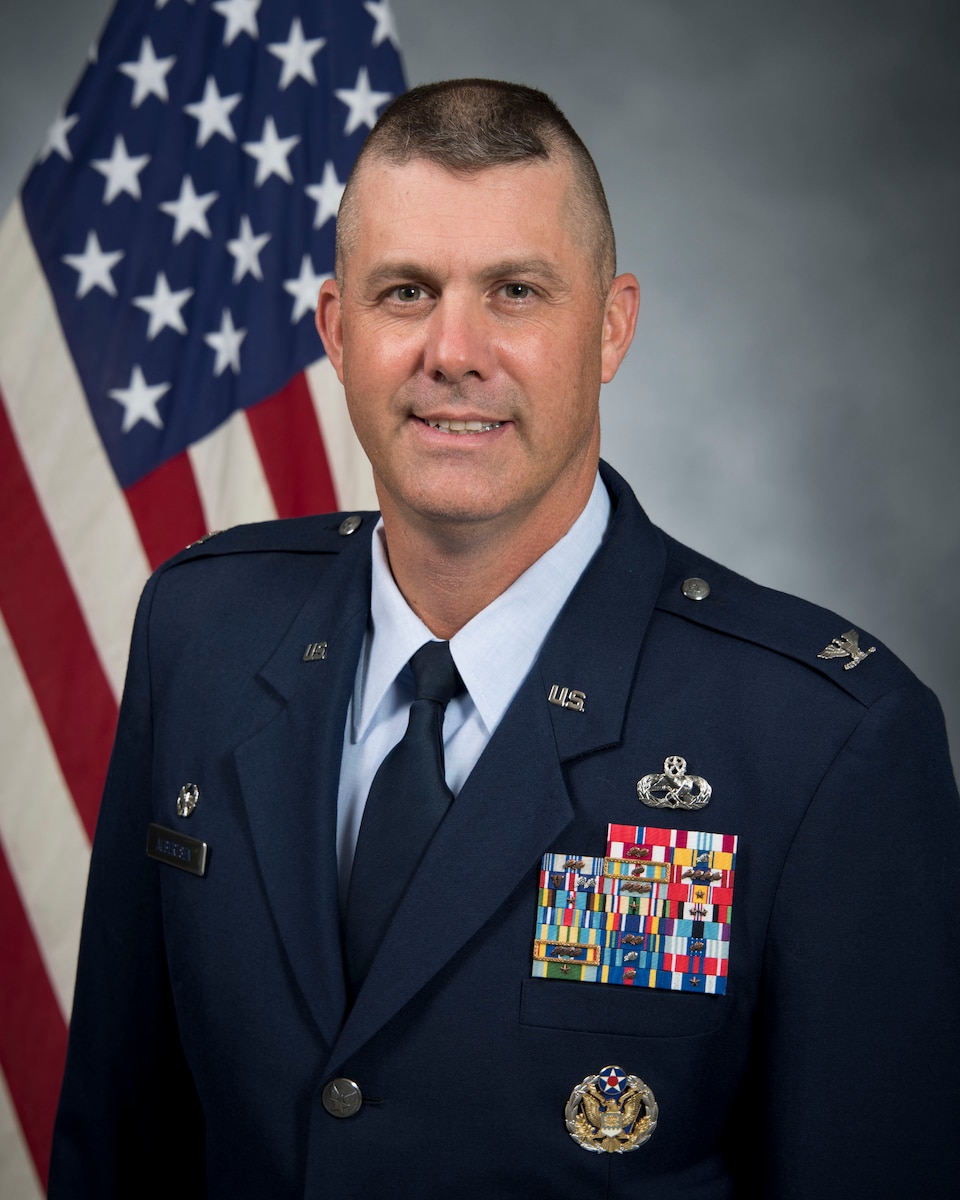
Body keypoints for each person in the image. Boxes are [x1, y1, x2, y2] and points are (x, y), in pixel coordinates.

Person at [49, 79, 959, 1198]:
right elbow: (117, 1143)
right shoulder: (201, 630)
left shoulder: (823, 742)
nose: (453, 351)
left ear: (611, 326)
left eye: (516, 292)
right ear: (338, 331)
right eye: (405, 292)